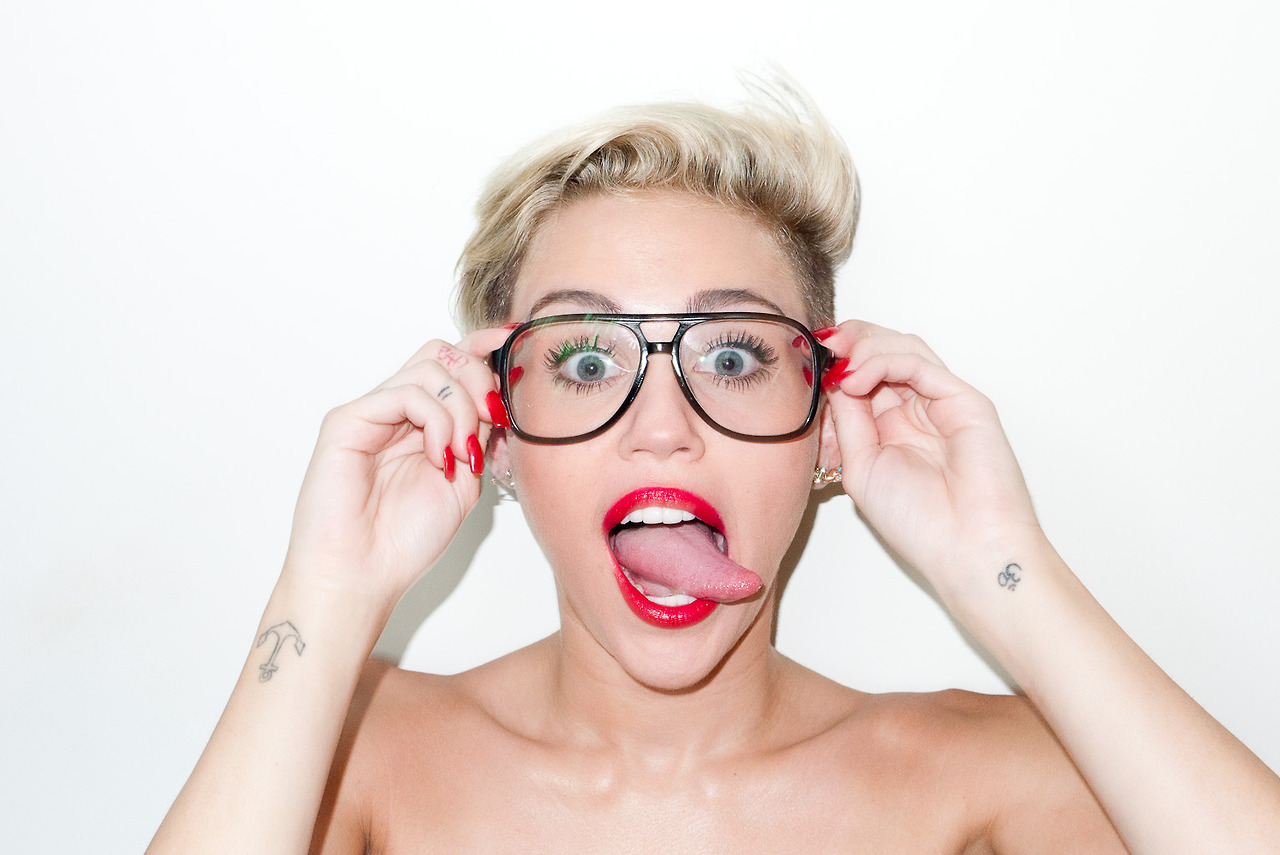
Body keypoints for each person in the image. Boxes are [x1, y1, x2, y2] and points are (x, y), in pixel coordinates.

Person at [147, 83, 1280, 854]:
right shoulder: (356, 754)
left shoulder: (980, 781)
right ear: (497, 434)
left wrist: (1000, 563)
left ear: (825, 430)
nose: (661, 429)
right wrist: (326, 590)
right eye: (586, 360)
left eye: (732, 356)